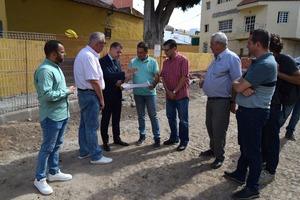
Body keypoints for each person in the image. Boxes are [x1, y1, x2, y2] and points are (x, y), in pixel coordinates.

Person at [224, 29, 277, 199]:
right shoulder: (259, 62)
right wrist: (240, 85)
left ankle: (252, 187)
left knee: (253, 150)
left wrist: (238, 85)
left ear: (258, 44)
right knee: (246, 146)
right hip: (249, 112)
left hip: (254, 114)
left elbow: (238, 86)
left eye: (249, 42)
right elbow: (240, 83)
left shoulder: (264, 64)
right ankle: (240, 174)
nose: (247, 45)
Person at [33, 40, 76, 195]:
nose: (64, 54)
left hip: (61, 114)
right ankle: (39, 178)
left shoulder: (55, 67)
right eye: (62, 52)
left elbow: (55, 90)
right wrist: (67, 91)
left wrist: (66, 89)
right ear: (53, 54)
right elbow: (47, 95)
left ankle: (53, 171)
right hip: (51, 117)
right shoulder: (45, 70)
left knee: (57, 145)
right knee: (47, 148)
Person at [260, 33, 300, 184]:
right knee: (265, 135)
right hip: (268, 103)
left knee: (272, 136)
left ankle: (271, 170)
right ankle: (264, 162)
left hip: (280, 104)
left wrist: (279, 73)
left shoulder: (285, 60)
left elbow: (298, 78)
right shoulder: (266, 59)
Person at [199, 32, 242, 169]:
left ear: (219, 44)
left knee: (219, 129)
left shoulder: (231, 58)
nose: (210, 46)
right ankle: (213, 149)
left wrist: (233, 102)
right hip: (211, 100)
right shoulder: (216, 58)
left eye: (212, 43)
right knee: (210, 126)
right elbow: (215, 77)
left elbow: (237, 81)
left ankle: (219, 156)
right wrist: (204, 82)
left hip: (222, 101)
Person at [73, 32, 112, 164]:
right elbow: (94, 81)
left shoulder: (85, 54)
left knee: (84, 124)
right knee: (91, 126)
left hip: (85, 93)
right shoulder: (88, 56)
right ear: (97, 43)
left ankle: (84, 150)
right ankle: (96, 156)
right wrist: (101, 99)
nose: (103, 47)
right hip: (90, 94)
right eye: (103, 44)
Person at [100, 42, 133, 151]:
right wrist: (124, 74)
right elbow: (107, 76)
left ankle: (117, 138)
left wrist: (123, 82)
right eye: (118, 51)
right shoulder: (102, 61)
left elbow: (117, 76)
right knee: (105, 119)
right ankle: (105, 141)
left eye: (120, 52)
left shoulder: (117, 62)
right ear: (111, 49)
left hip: (117, 94)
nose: (119, 54)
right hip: (107, 95)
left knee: (116, 118)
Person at [129, 41, 160, 147]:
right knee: (140, 116)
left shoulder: (153, 62)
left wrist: (154, 84)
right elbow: (129, 75)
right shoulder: (133, 61)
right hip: (138, 94)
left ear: (147, 52)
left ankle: (157, 137)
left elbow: (157, 76)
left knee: (153, 115)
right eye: (138, 52)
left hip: (150, 94)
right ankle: (142, 136)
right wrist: (125, 83)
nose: (139, 54)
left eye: (141, 53)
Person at [160, 39, 190, 151]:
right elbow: (162, 76)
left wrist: (174, 91)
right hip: (169, 96)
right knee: (170, 117)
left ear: (174, 48)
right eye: (164, 50)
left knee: (183, 120)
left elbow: (184, 77)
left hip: (181, 95)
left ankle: (184, 141)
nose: (165, 52)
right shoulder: (165, 62)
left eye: (167, 50)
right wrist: (168, 91)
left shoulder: (183, 60)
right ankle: (174, 137)